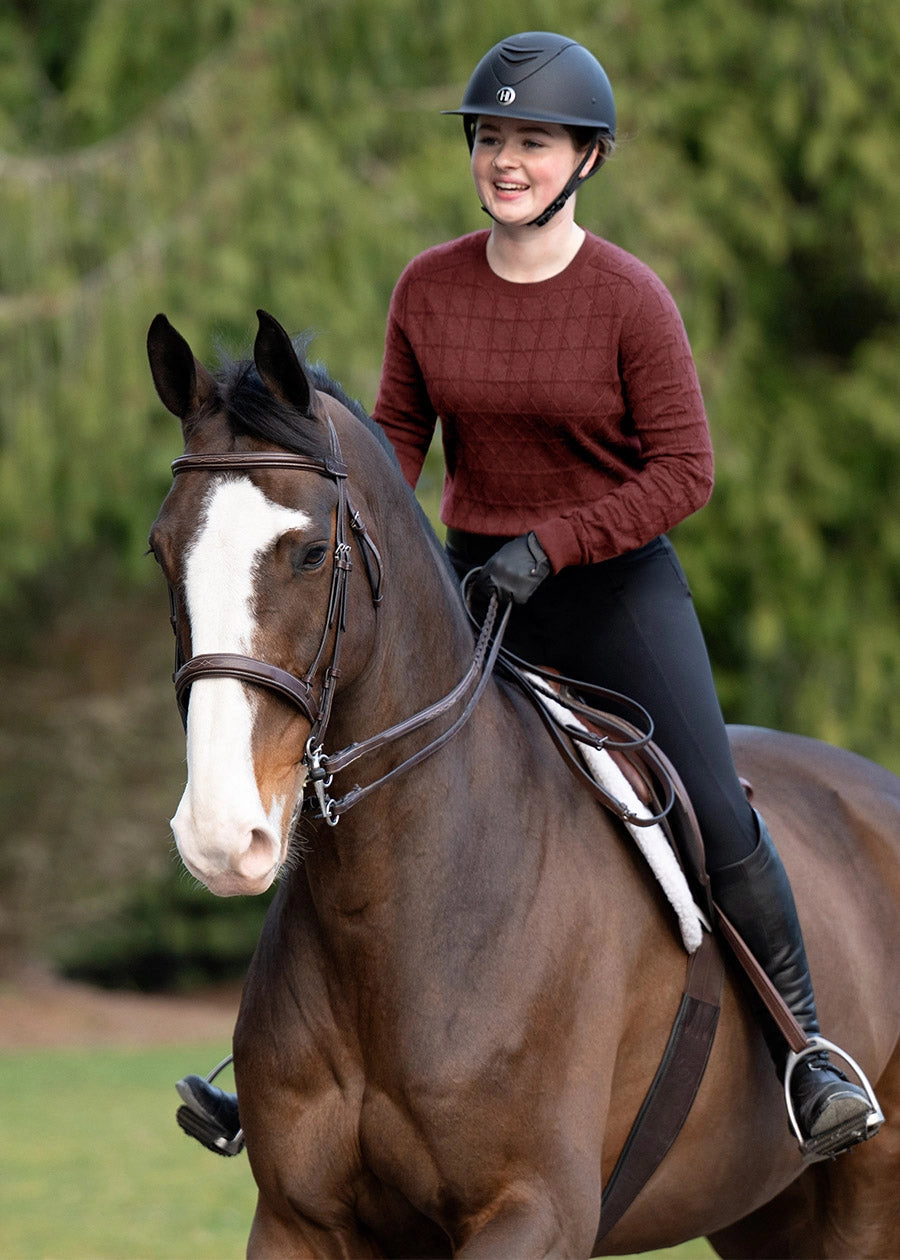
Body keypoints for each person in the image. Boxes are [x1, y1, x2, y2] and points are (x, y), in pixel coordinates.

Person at [176, 31, 878, 1160]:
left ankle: (809, 1052)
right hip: (465, 589)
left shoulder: (629, 299)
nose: (509, 160)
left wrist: (553, 547)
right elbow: (395, 442)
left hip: (610, 592)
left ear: (586, 160)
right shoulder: (428, 285)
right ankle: (267, 1071)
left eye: (535, 143)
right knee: (343, 780)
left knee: (712, 797)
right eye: (492, 139)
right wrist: (366, 544)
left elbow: (685, 471)